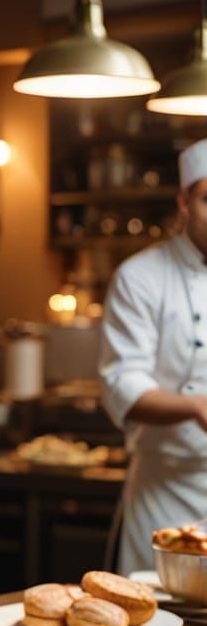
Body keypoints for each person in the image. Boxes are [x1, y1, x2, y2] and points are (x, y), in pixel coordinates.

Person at [100, 137, 207, 574]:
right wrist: (196, 407)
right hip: (166, 493)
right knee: (160, 621)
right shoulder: (140, 277)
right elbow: (122, 384)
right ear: (183, 202)